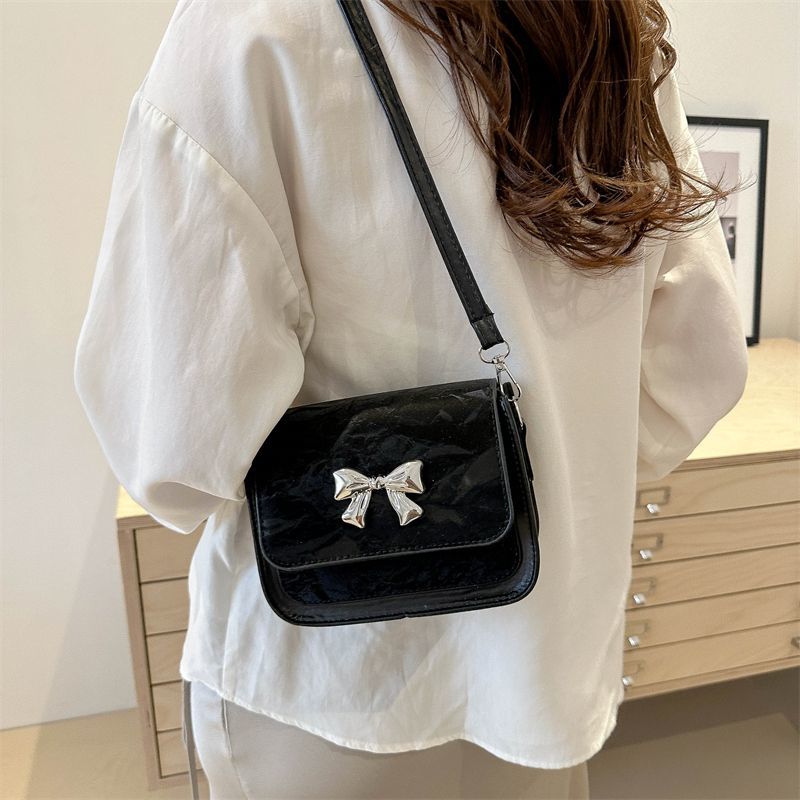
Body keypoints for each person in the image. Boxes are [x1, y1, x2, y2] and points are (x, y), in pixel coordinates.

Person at [73, 1, 749, 798]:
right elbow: (694, 372)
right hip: (546, 674)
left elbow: (171, 448)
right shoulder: (606, 24)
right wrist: (547, 469)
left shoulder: (250, 22)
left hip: (326, 688)